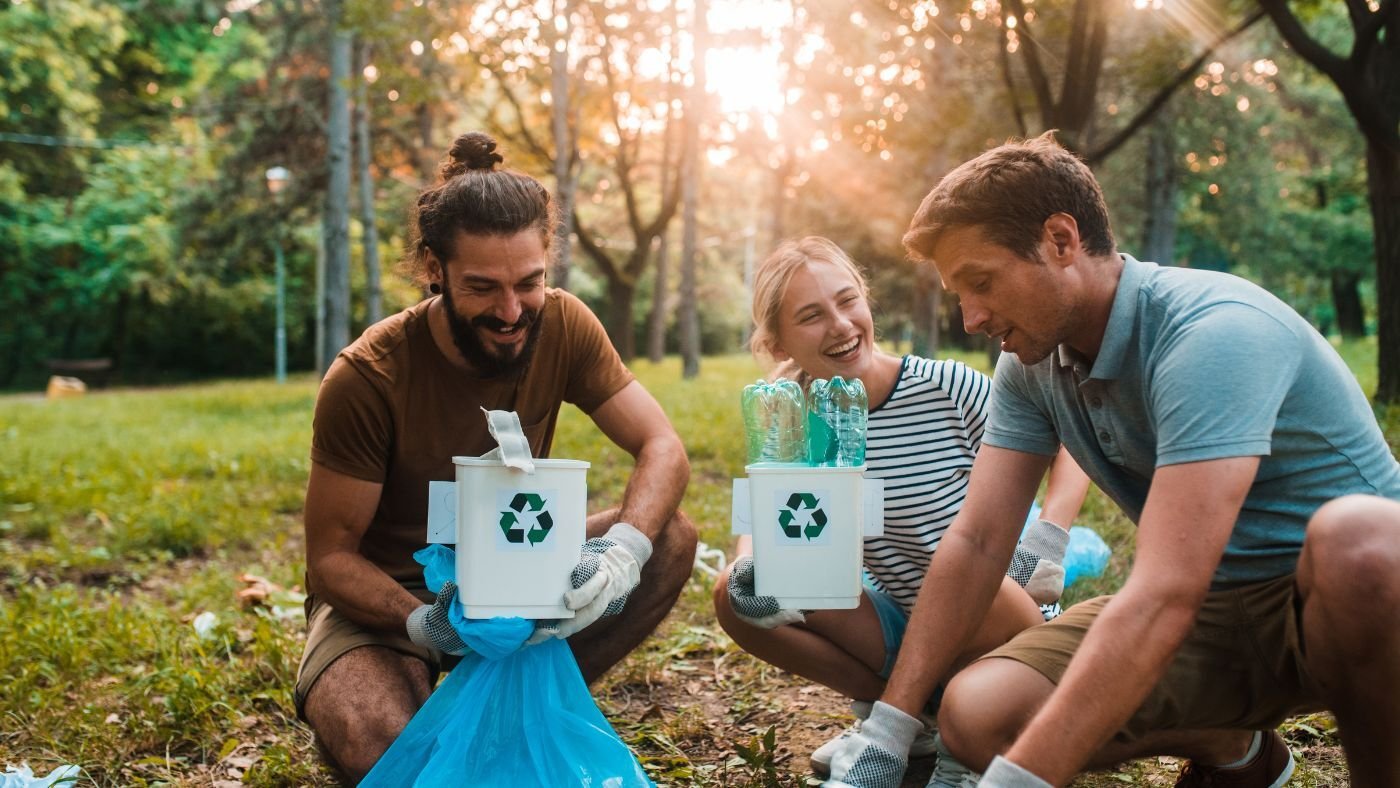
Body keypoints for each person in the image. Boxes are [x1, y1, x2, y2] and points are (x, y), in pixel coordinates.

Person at [822, 133, 1400, 788]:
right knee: (978, 713)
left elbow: (1164, 593)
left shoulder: (1212, 333)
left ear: (1061, 241)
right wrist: (890, 729)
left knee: (1362, 541)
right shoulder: (1029, 366)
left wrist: (1019, 782)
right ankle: (1237, 750)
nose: (973, 317)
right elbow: (979, 542)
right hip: (1213, 616)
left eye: (981, 283)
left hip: (1338, 607)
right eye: (960, 293)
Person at [295, 131, 698, 782]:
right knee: (385, 744)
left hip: (518, 575)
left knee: (669, 539)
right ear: (434, 267)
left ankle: (514, 705)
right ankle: (449, 705)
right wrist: (426, 624)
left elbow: (663, 447)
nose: (512, 312)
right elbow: (330, 558)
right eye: (482, 288)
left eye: (529, 283)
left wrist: (622, 556)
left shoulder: (564, 325)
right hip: (390, 607)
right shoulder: (367, 377)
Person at [713, 236, 1091, 784]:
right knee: (732, 595)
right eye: (812, 316)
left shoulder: (946, 388)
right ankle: (908, 716)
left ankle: (951, 738)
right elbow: (768, 505)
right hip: (902, 623)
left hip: (1001, 623)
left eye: (848, 301)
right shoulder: (789, 407)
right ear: (778, 343)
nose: (841, 325)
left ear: (867, 302)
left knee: (961, 575)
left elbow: (1067, 444)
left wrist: (1049, 535)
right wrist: (751, 566)